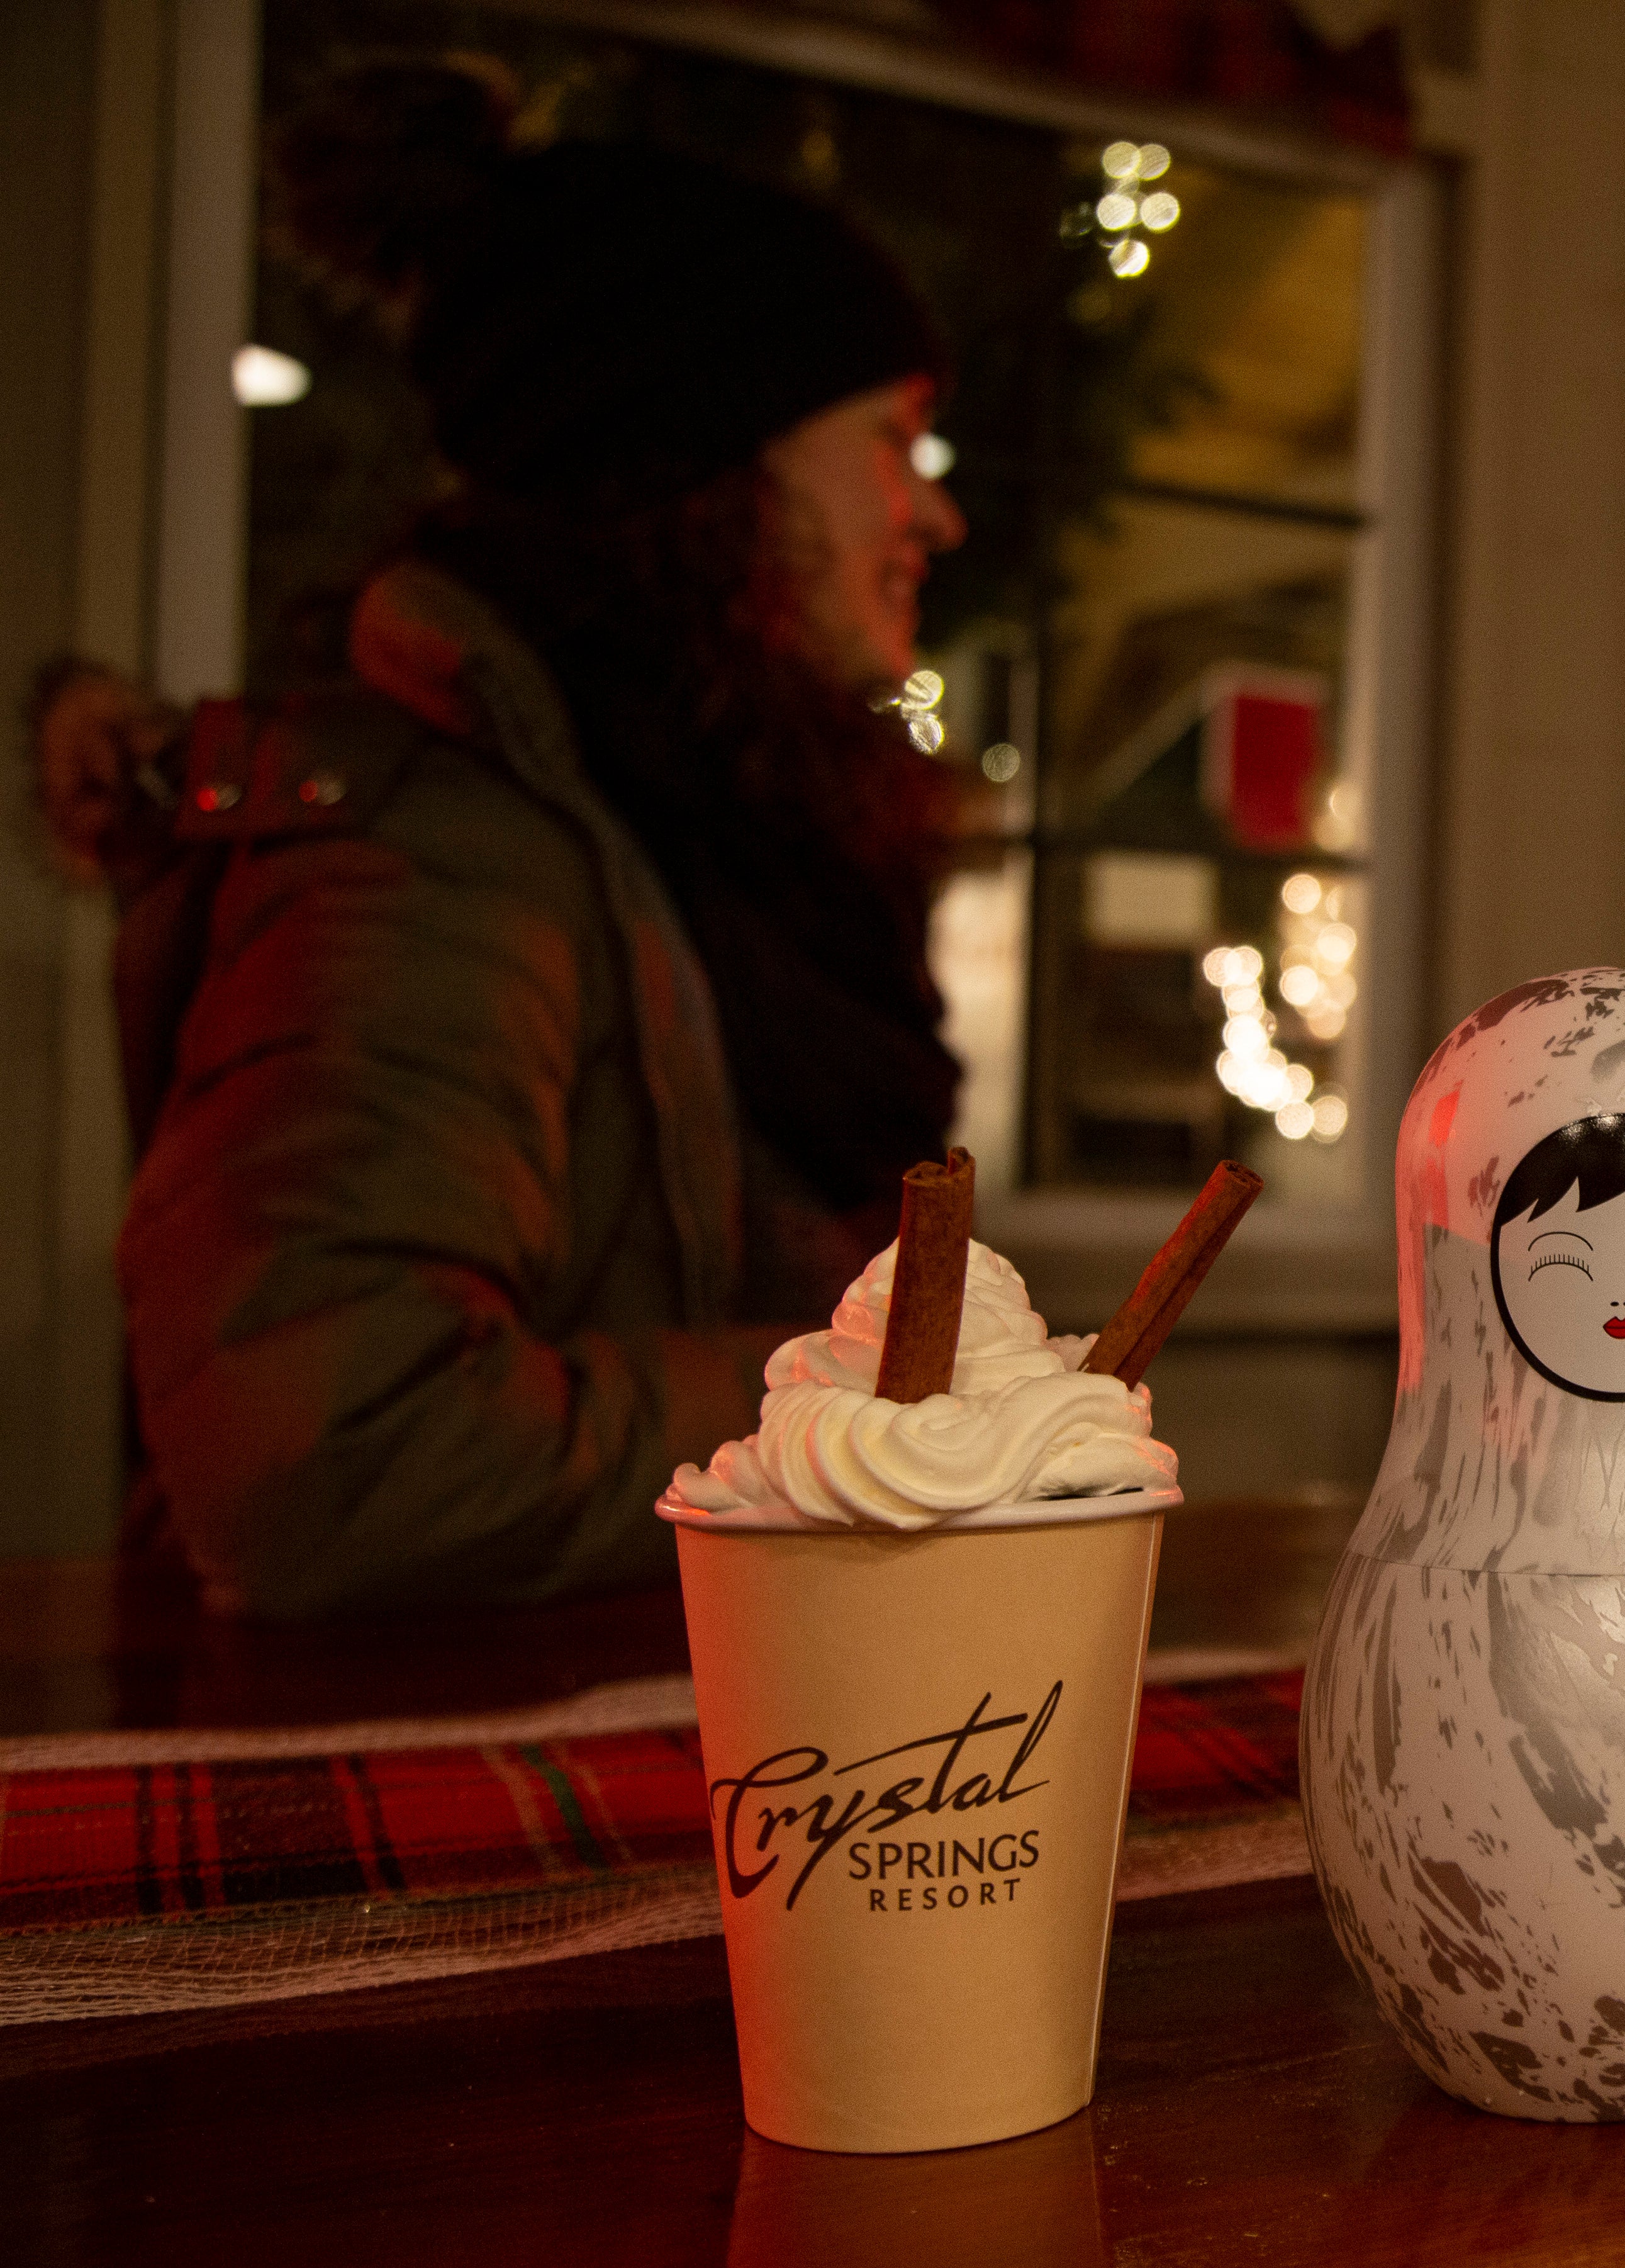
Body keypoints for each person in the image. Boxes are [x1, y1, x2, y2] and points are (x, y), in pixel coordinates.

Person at [37, 65, 966, 1618]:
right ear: (707, 456)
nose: (930, 517)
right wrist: (898, 1408)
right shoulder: (439, 847)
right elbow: (335, 1461)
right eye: (891, 440)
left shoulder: (713, 834)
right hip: (412, 1792)